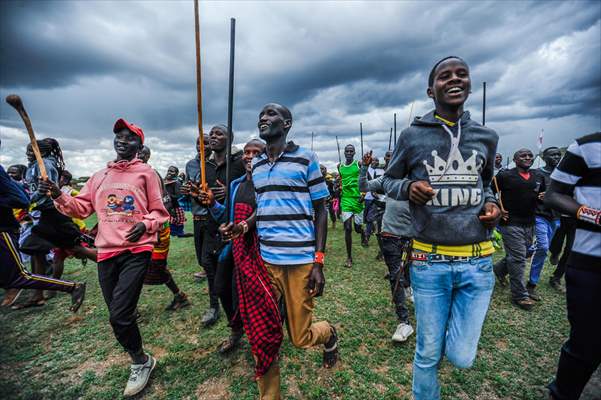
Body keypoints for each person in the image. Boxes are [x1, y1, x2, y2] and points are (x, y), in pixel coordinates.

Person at [382, 56, 501, 400]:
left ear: (468, 84)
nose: (455, 79)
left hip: (478, 264)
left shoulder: (486, 136)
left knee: (461, 357)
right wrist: (408, 188)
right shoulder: (412, 136)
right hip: (429, 262)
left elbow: (487, 183)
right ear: (430, 89)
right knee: (428, 353)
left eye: (461, 74)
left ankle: (445, 329)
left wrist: (491, 205)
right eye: (444, 75)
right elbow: (389, 180)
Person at [39, 118, 170, 397]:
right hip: (106, 252)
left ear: (140, 145)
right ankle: (142, 357)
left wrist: (145, 224)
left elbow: (160, 212)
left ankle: (140, 362)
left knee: (120, 315)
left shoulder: (146, 173)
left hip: (137, 250)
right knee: (117, 314)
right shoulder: (99, 176)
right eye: (119, 136)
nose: (123, 140)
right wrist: (57, 196)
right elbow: (81, 209)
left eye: (130, 137)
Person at [252, 103, 338, 399]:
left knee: (300, 338)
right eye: (262, 114)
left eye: (272, 114)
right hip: (266, 262)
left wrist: (319, 262)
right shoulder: (257, 164)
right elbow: (263, 206)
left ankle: (328, 332)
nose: (264, 118)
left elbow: (321, 210)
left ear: (287, 123)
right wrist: (243, 226)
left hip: (301, 261)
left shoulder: (305, 158)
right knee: (265, 337)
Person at [546, 132, 601, 400]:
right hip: (592, 264)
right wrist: (594, 215)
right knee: (585, 345)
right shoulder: (588, 146)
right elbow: (553, 195)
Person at [1, 147, 86, 312]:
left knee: (72, 250)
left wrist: (43, 195)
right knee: (35, 249)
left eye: (32, 151)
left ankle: (111, 263)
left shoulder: (47, 166)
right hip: (43, 219)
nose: (28, 154)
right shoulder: (34, 170)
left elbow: (26, 198)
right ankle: (38, 295)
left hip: (53, 217)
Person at [185, 126, 245, 328]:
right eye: (211, 134)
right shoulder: (206, 166)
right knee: (209, 266)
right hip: (212, 226)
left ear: (230, 138)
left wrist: (230, 190)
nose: (213, 136)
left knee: (235, 275)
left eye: (219, 133)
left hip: (236, 227)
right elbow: (206, 201)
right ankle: (214, 307)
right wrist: (197, 196)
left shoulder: (239, 162)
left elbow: (250, 189)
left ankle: (241, 312)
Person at [360, 150, 414, 342]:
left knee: (413, 273)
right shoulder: (387, 180)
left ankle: (410, 290)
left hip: (415, 236)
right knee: (395, 275)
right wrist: (364, 167)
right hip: (390, 234)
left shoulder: (419, 179)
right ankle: (404, 322)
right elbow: (364, 186)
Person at [137, 146, 190, 311]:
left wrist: (155, 224)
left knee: (156, 266)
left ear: (147, 156)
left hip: (156, 229)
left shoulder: (153, 175)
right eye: (137, 153)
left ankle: (180, 296)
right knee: (135, 267)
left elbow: (165, 202)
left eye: (142, 154)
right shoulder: (129, 175)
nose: (139, 156)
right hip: (137, 231)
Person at [493, 148, 546, 309]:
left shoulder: (538, 176)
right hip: (510, 223)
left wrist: (542, 197)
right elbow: (489, 191)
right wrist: (498, 208)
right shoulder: (504, 175)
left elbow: (541, 195)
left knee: (525, 252)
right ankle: (520, 295)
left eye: (530, 155)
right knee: (518, 259)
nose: (528, 158)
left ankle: (499, 270)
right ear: (515, 160)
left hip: (530, 222)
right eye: (523, 156)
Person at [527, 147, 562, 294]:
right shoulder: (537, 173)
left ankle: (506, 264)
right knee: (542, 247)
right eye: (553, 154)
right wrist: (539, 195)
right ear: (544, 157)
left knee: (542, 248)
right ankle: (532, 284)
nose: (556, 157)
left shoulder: (563, 175)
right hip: (540, 216)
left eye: (558, 154)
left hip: (557, 218)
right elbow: (530, 193)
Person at [184, 134, 212, 282]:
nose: (201, 146)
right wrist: (187, 190)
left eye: (206, 143)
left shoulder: (216, 163)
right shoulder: (190, 165)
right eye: (198, 143)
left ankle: (209, 271)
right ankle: (206, 269)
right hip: (196, 214)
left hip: (211, 215)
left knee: (208, 253)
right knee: (199, 249)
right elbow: (190, 188)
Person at [338, 144, 365, 267]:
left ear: (354, 153)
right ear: (344, 153)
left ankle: (363, 232)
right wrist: (337, 185)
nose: (349, 153)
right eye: (347, 151)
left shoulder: (358, 164)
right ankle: (349, 258)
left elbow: (366, 178)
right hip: (346, 200)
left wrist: (364, 193)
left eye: (351, 151)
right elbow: (341, 180)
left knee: (357, 229)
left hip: (358, 199)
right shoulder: (340, 166)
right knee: (347, 228)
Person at [164, 166, 190, 238]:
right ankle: (173, 232)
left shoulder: (176, 183)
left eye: (172, 171)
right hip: (167, 206)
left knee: (177, 220)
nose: (169, 172)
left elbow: (178, 195)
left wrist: (168, 196)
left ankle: (179, 233)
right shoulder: (165, 181)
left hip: (175, 206)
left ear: (176, 174)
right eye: (169, 170)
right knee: (169, 221)